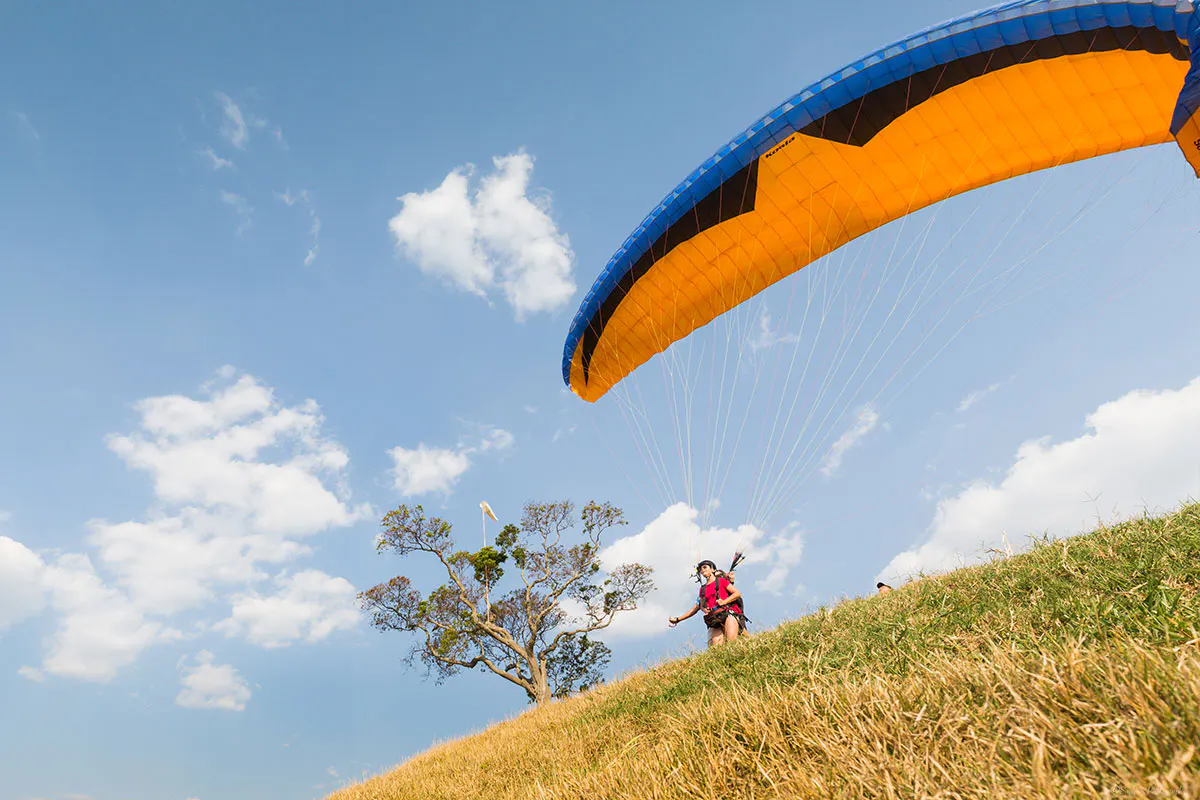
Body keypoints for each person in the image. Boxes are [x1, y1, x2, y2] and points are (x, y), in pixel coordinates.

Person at [668, 559, 745, 647]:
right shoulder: (702, 589)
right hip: (714, 618)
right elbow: (699, 606)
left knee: (732, 643)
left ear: (712, 569)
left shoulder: (721, 581)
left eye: (705, 567)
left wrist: (724, 602)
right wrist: (704, 609)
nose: (702, 570)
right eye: (701, 569)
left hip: (728, 614)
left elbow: (737, 593)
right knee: (716, 649)